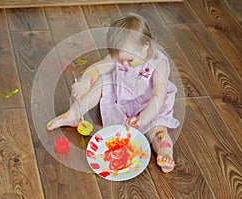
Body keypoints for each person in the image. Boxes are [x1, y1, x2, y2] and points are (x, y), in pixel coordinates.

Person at [47, 13, 180, 173]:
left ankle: (165, 153)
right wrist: (84, 82)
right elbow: (97, 68)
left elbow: (159, 96)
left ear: (145, 46)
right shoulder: (123, 54)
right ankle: (74, 114)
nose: (123, 64)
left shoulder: (159, 64)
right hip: (122, 97)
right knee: (102, 80)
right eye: (119, 58)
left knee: (158, 131)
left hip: (150, 106)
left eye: (129, 60)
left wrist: (143, 118)